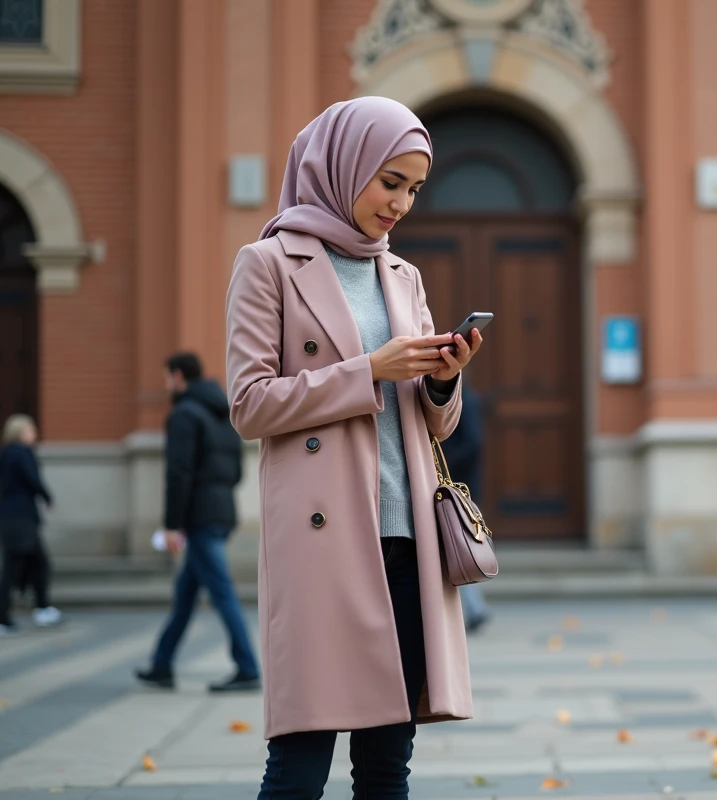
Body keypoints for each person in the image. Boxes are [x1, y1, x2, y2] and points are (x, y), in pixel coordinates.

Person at [225, 96, 484, 799]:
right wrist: (368, 369)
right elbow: (248, 405)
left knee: (384, 767)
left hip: (405, 539)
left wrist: (440, 383)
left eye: (414, 189)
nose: (400, 203)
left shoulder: (402, 276)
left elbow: (435, 426)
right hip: (323, 545)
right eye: (390, 181)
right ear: (343, 167)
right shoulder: (269, 264)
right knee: (300, 760)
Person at [134, 352, 260, 692]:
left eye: (166, 378)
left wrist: (172, 524)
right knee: (186, 594)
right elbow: (236, 472)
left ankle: (248, 667)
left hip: (199, 517)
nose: (165, 385)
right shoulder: (223, 414)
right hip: (221, 510)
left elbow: (178, 473)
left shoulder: (184, 415)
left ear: (177, 376)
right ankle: (162, 664)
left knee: (222, 593)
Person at [0, 414, 61, 634]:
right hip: (21, 517)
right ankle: (4, 617)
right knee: (14, 568)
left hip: (10, 517)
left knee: (37, 563)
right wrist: (47, 497)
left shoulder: (6, 454)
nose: (34, 434)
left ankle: (42, 608)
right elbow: (32, 478)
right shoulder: (22, 453)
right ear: (20, 433)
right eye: (30, 430)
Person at [438, 380, 491, 633]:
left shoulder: (465, 398)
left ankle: (476, 610)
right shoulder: (463, 395)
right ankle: (475, 609)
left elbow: (473, 442)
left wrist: (441, 463)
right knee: (459, 550)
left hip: (459, 488)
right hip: (457, 488)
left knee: (461, 550)